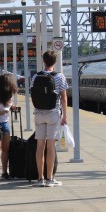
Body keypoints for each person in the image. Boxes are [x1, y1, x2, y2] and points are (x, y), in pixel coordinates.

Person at [31, 50, 68, 187]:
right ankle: (50, 179)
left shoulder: (35, 77)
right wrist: (64, 116)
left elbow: (33, 94)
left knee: (40, 145)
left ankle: (40, 179)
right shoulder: (60, 77)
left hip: (39, 114)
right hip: (53, 114)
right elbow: (63, 98)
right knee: (51, 146)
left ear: (44, 61)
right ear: (55, 61)